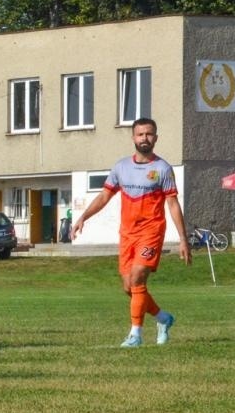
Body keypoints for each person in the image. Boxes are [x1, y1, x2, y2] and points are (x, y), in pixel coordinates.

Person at [70, 117, 191, 347]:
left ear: (156, 138)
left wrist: (183, 239)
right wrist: (83, 217)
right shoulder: (121, 167)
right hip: (127, 234)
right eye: (140, 134)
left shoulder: (162, 169)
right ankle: (163, 318)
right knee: (129, 287)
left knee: (137, 278)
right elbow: (104, 196)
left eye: (149, 134)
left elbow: (173, 204)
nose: (145, 138)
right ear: (133, 137)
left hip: (151, 232)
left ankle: (135, 335)